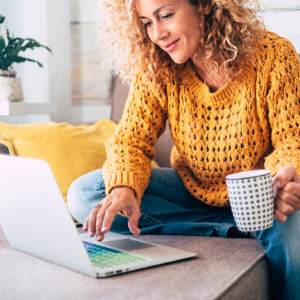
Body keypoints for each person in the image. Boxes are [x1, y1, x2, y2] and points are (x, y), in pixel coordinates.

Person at [67, 0, 300, 299]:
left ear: (203, 5)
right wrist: (124, 187)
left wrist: (282, 181)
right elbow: (130, 140)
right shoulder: (156, 65)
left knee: (293, 225)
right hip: (193, 192)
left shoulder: (274, 55)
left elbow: (292, 140)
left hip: (260, 198)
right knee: (85, 193)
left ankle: (248, 225)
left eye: (165, 15)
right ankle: (234, 227)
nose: (157, 34)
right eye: (147, 23)